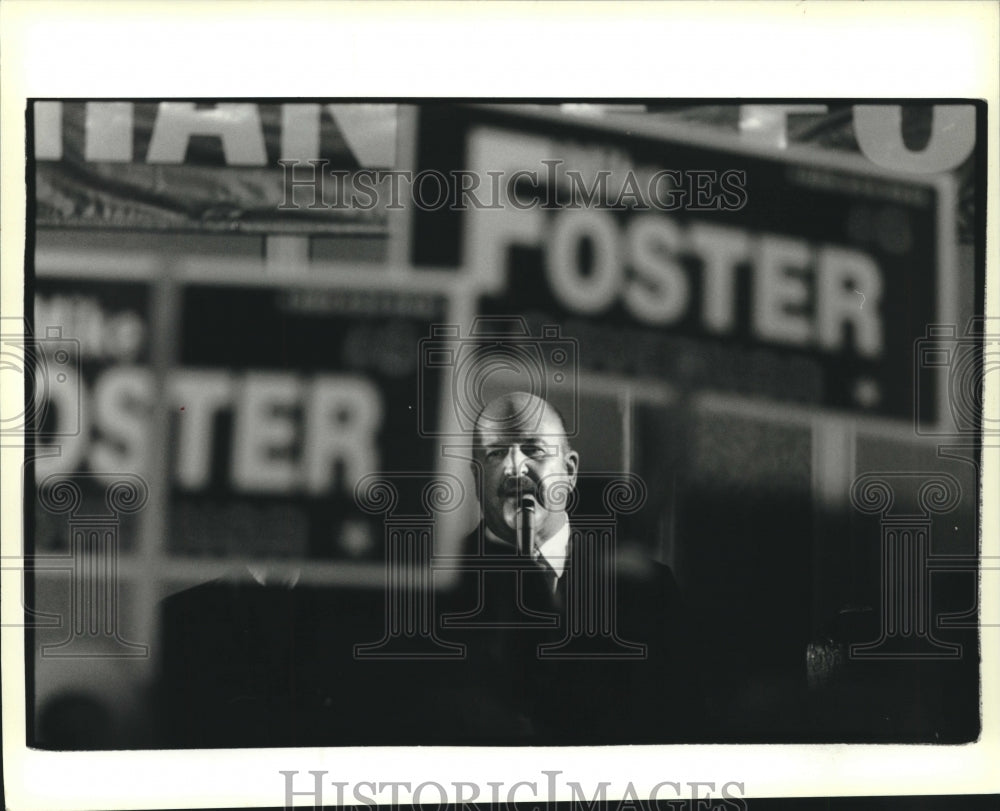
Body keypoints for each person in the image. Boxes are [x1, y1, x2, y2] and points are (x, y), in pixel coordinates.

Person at [425, 390, 704, 744]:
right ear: (476, 477)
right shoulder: (438, 584)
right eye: (496, 453)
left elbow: (681, 722)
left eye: (533, 449)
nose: (514, 467)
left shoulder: (648, 591)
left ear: (570, 471)